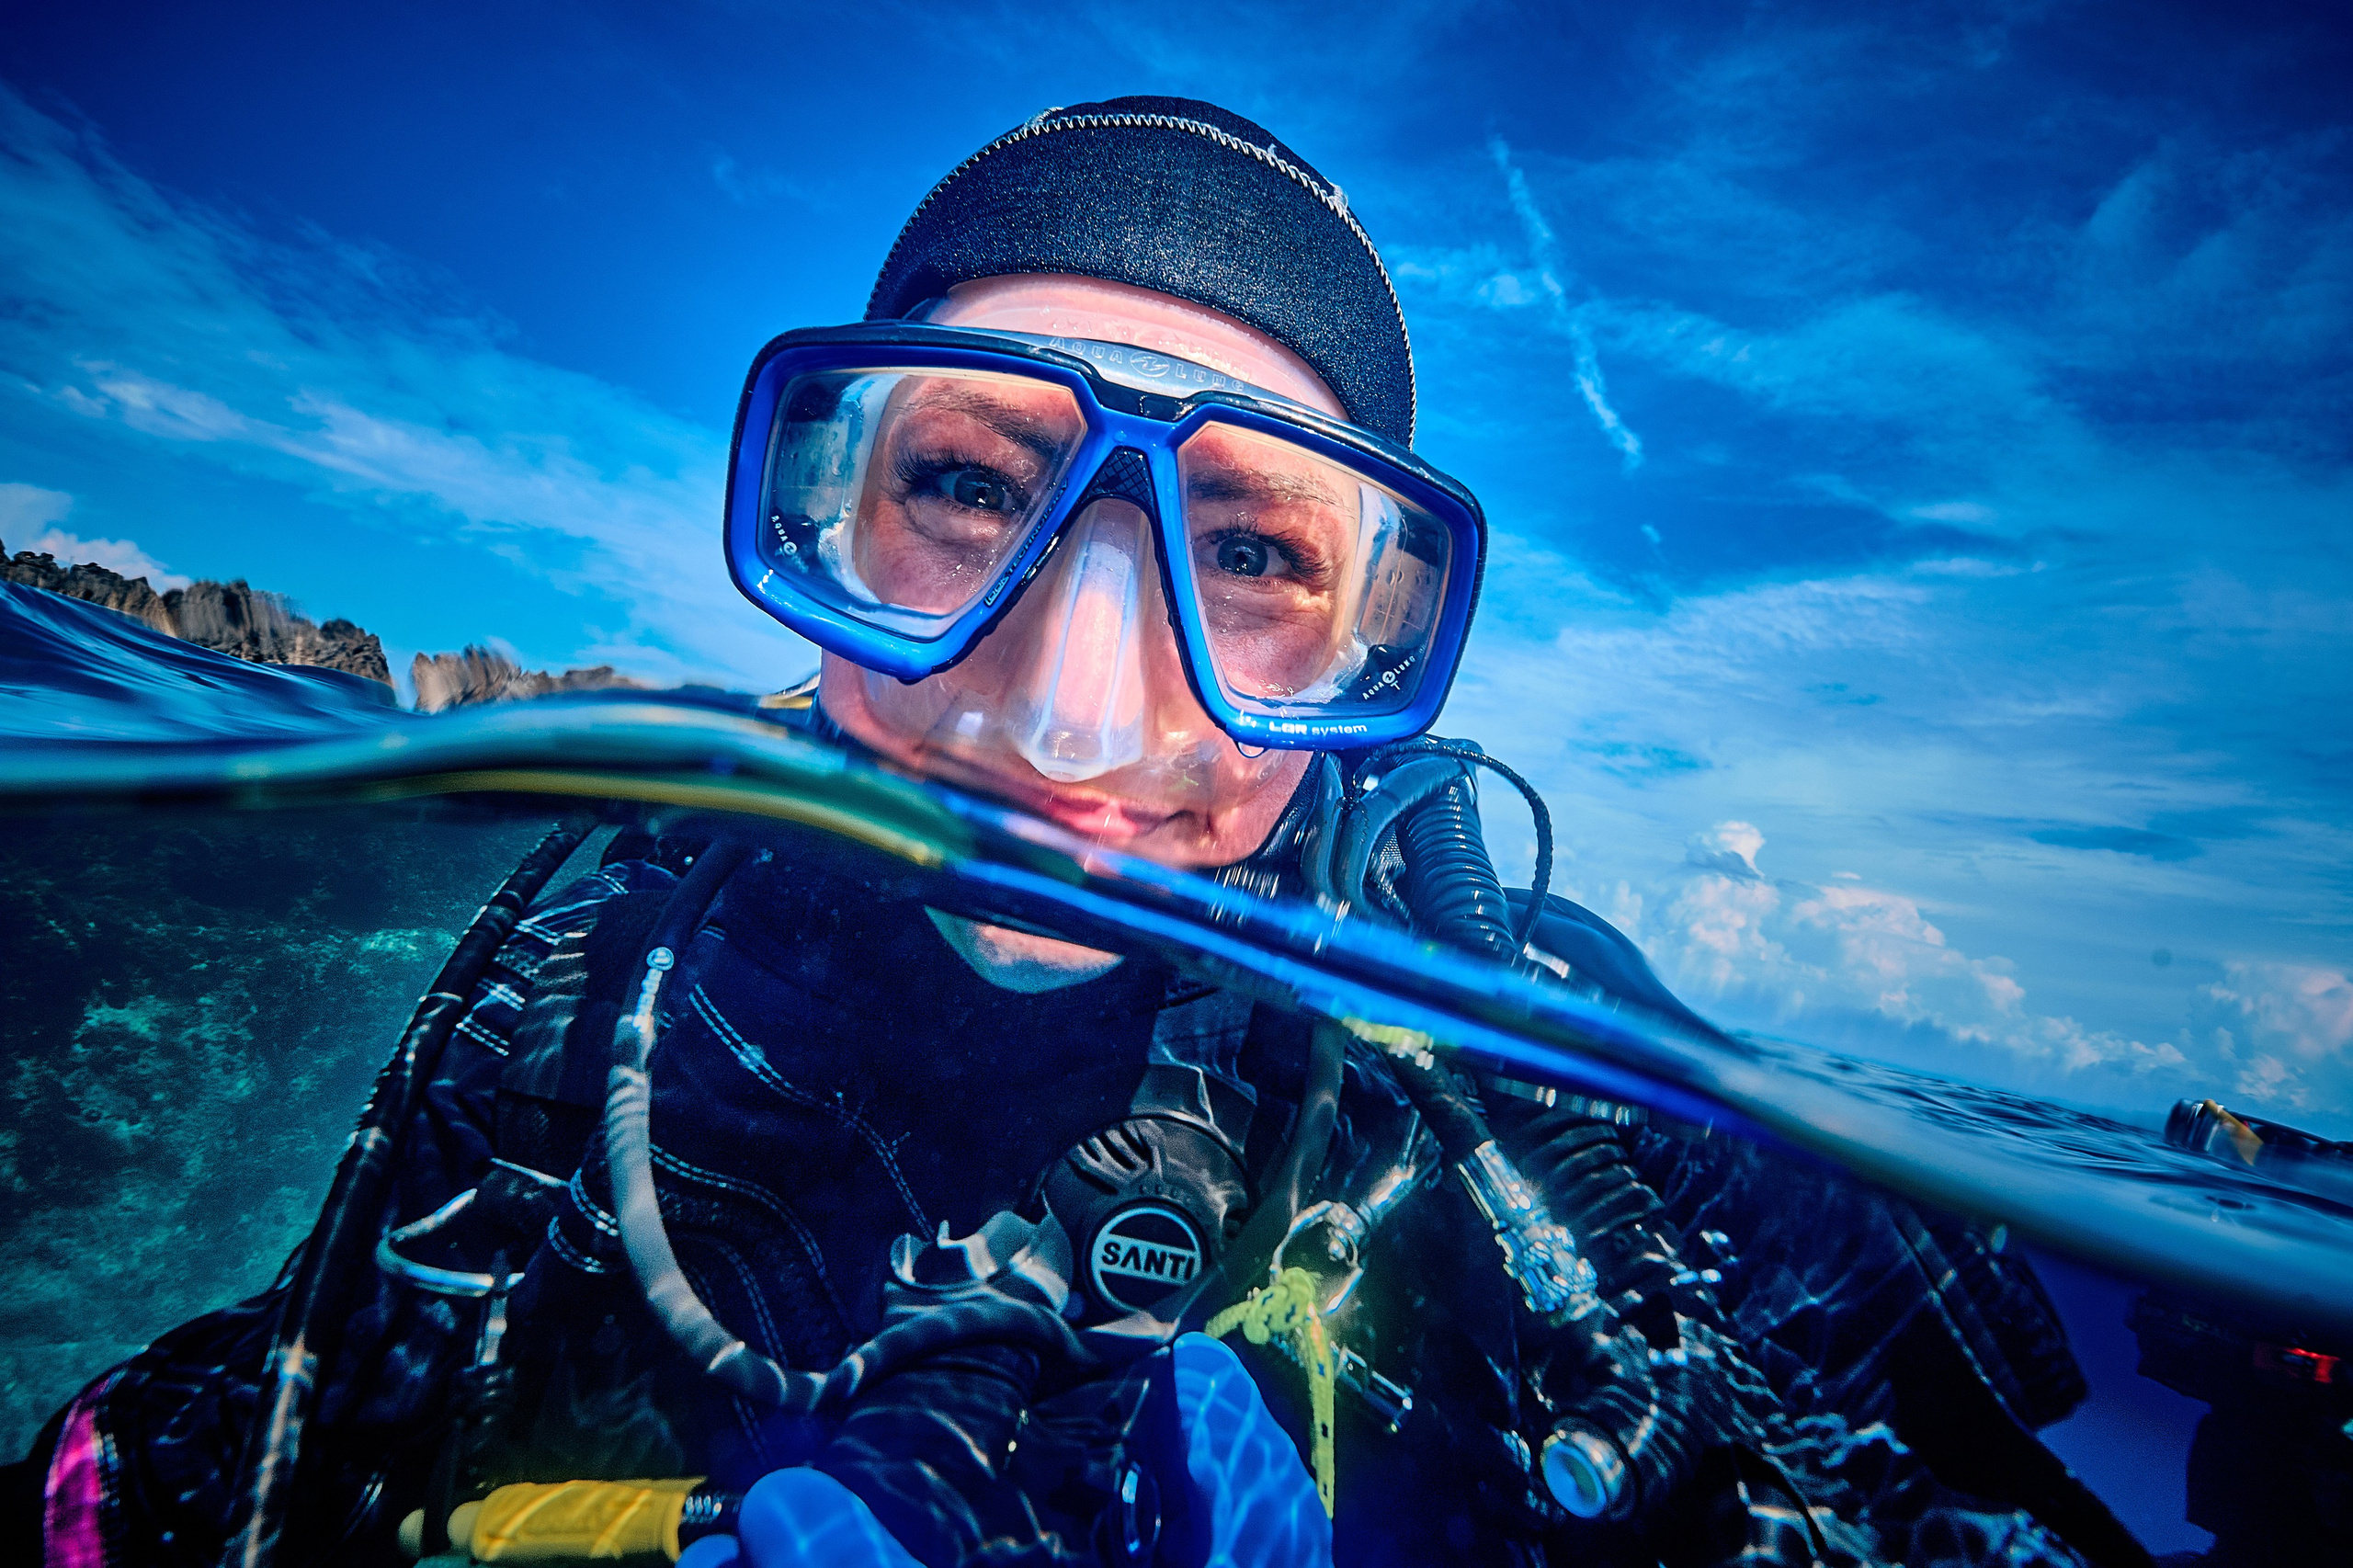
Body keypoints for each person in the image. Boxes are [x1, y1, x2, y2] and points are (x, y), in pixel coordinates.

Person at [11, 97, 2146, 1568]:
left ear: (1374, 635)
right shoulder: (602, 959)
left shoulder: (1515, 1066)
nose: (1072, 715)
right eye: (962, 488)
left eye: (1251, 550)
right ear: (819, 516)